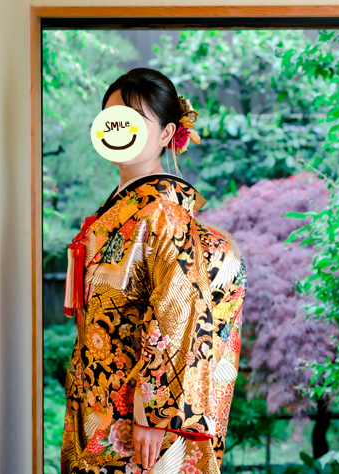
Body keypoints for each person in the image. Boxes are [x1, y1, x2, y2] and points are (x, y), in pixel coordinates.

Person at [60, 67, 247, 474]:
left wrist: (155, 416)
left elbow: (177, 313)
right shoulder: (120, 209)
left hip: (139, 413)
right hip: (99, 394)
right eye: (112, 119)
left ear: (166, 134)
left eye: (134, 120)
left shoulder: (164, 212)